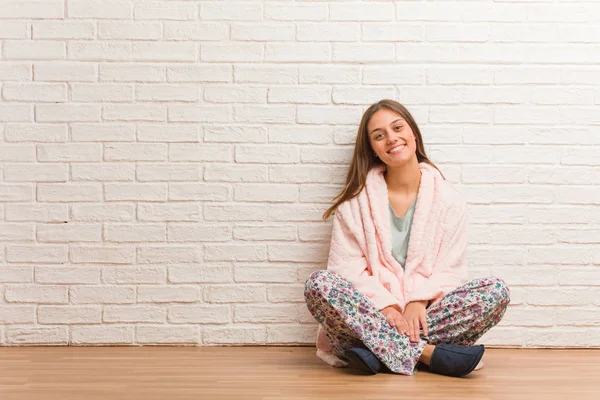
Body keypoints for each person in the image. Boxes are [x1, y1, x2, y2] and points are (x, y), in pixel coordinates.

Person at [304, 99, 510, 378]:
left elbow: (451, 270)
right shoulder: (354, 205)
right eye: (379, 135)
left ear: (413, 132)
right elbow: (346, 270)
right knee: (319, 284)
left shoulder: (449, 201)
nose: (391, 138)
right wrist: (387, 307)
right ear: (373, 150)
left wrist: (418, 301)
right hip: (373, 313)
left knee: (495, 291)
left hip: (425, 317)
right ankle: (427, 354)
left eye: (397, 127)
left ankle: (375, 353)